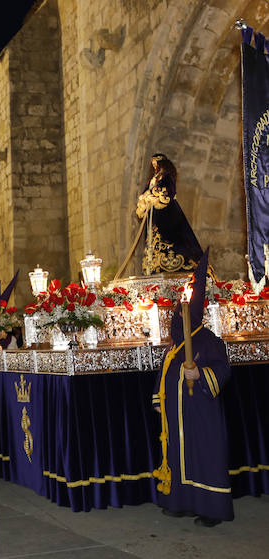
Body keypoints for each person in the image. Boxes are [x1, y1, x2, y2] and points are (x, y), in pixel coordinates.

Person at [152, 248, 233, 527]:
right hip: (176, 416)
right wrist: (159, 400)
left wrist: (200, 373)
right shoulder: (175, 346)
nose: (176, 318)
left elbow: (223, 370)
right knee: (178, 457)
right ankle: (181, 502)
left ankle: (211, 509)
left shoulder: (208, 341)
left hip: (201, 415)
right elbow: (163, 374)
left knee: (203, 457)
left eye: (181, 313)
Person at [136, 153, 203, 274]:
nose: (154, 165)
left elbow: (168, 190)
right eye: (153, 164)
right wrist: (144, 198)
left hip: (167, 214)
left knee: (172, 239)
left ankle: (174, 263)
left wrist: (152, 194)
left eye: (156, 163)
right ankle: (154, 265)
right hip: (154, 214)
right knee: (153, 239)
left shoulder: (166, 176)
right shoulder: (153, 179)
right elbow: (145, 193)